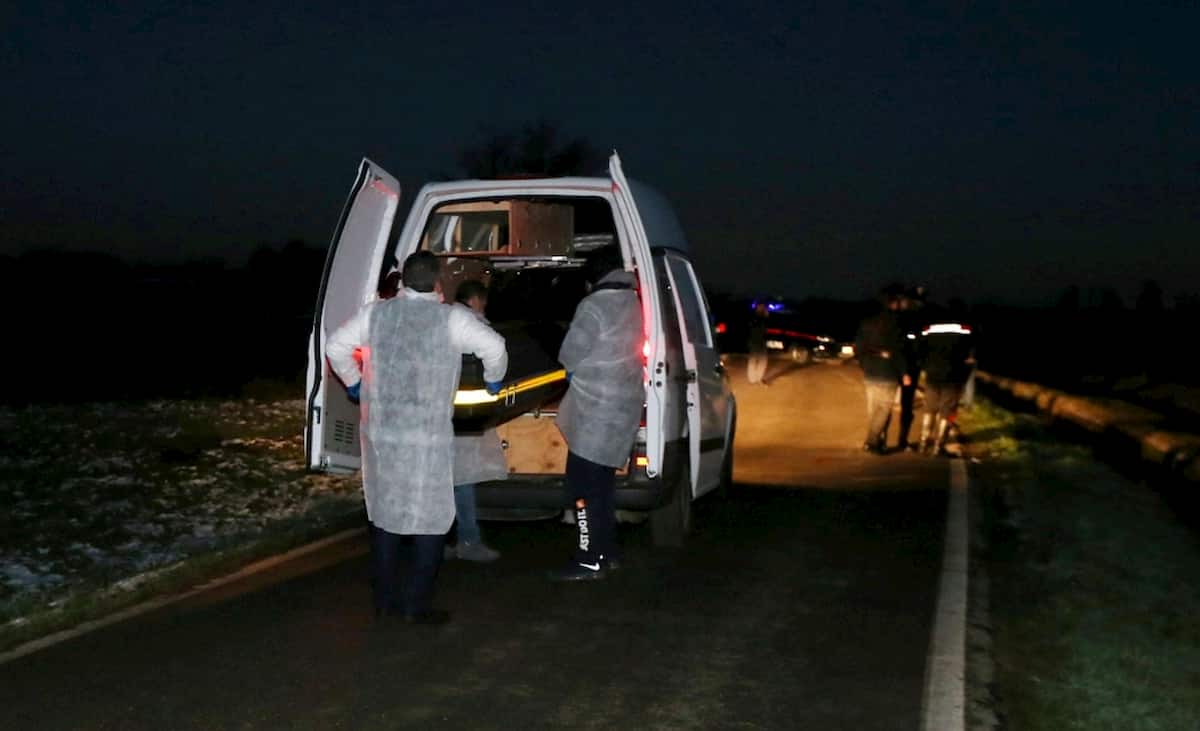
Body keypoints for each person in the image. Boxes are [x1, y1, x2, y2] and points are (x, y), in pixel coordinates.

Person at [326, 251, 507, 624]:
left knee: (385, 516)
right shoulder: (452, 319)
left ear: (404, 280)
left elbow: (335, 347)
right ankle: (415, 605)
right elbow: (495, 347)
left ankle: (383, 602)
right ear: (439, 283)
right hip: (427, 439)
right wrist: (493, 379)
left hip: (383, 436)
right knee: (431, 520)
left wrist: (355, 381)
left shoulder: (376, 313)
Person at [548, 244, 644, 581]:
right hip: (622, 410)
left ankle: (588, 559)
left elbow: (569, 354)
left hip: (594, 416)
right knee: (602, 489)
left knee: (582, 492)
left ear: (593, 277)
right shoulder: (634, 302)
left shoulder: (593, 306)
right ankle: (608, 553)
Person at [446, 279, 506, 563]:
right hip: (464, 415)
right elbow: (494, 349)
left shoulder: (441, 319)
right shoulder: (470, 323)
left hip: (439, 413)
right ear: (475, 301)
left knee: (449, 480)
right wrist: (495, 381)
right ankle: (468, 540)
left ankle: (442, 541)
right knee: (463, 479)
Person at [853, 284, 911, 454]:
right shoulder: (896, 324)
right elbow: (899, 351)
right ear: (894, 304)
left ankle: (877, 442)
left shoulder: (867, 323)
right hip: (888, 373)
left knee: (874, 409)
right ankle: (871, 441)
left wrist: (865, 364)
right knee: (884, 410)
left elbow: (859, 348)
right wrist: (904, 372)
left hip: (871, 372)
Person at [917, 304, 975, 456]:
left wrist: (925, 367)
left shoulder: (930, 329)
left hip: (932, 375)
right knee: (947, 410)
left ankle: (923, 443)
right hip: (953, 376)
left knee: (930, 407)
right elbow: (970, 355)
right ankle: (938, 446)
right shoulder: (964, 329)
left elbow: (920, 349)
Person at [896, 286, 927, 451]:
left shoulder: (904, 318)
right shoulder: (911, 319)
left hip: (905, 366)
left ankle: (900, 440)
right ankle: (902, 440)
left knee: (905, 405)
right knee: (906, 405)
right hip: (908, 366)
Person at [746, 301, 770, 385]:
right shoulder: (755, 317)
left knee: (763, 360)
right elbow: (752, 329)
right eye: (762, 307)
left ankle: (758, 378)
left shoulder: (761, 317)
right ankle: (752, 379)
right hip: (755, 341)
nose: (764, 308)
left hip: (761, 341)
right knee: (754, 360)